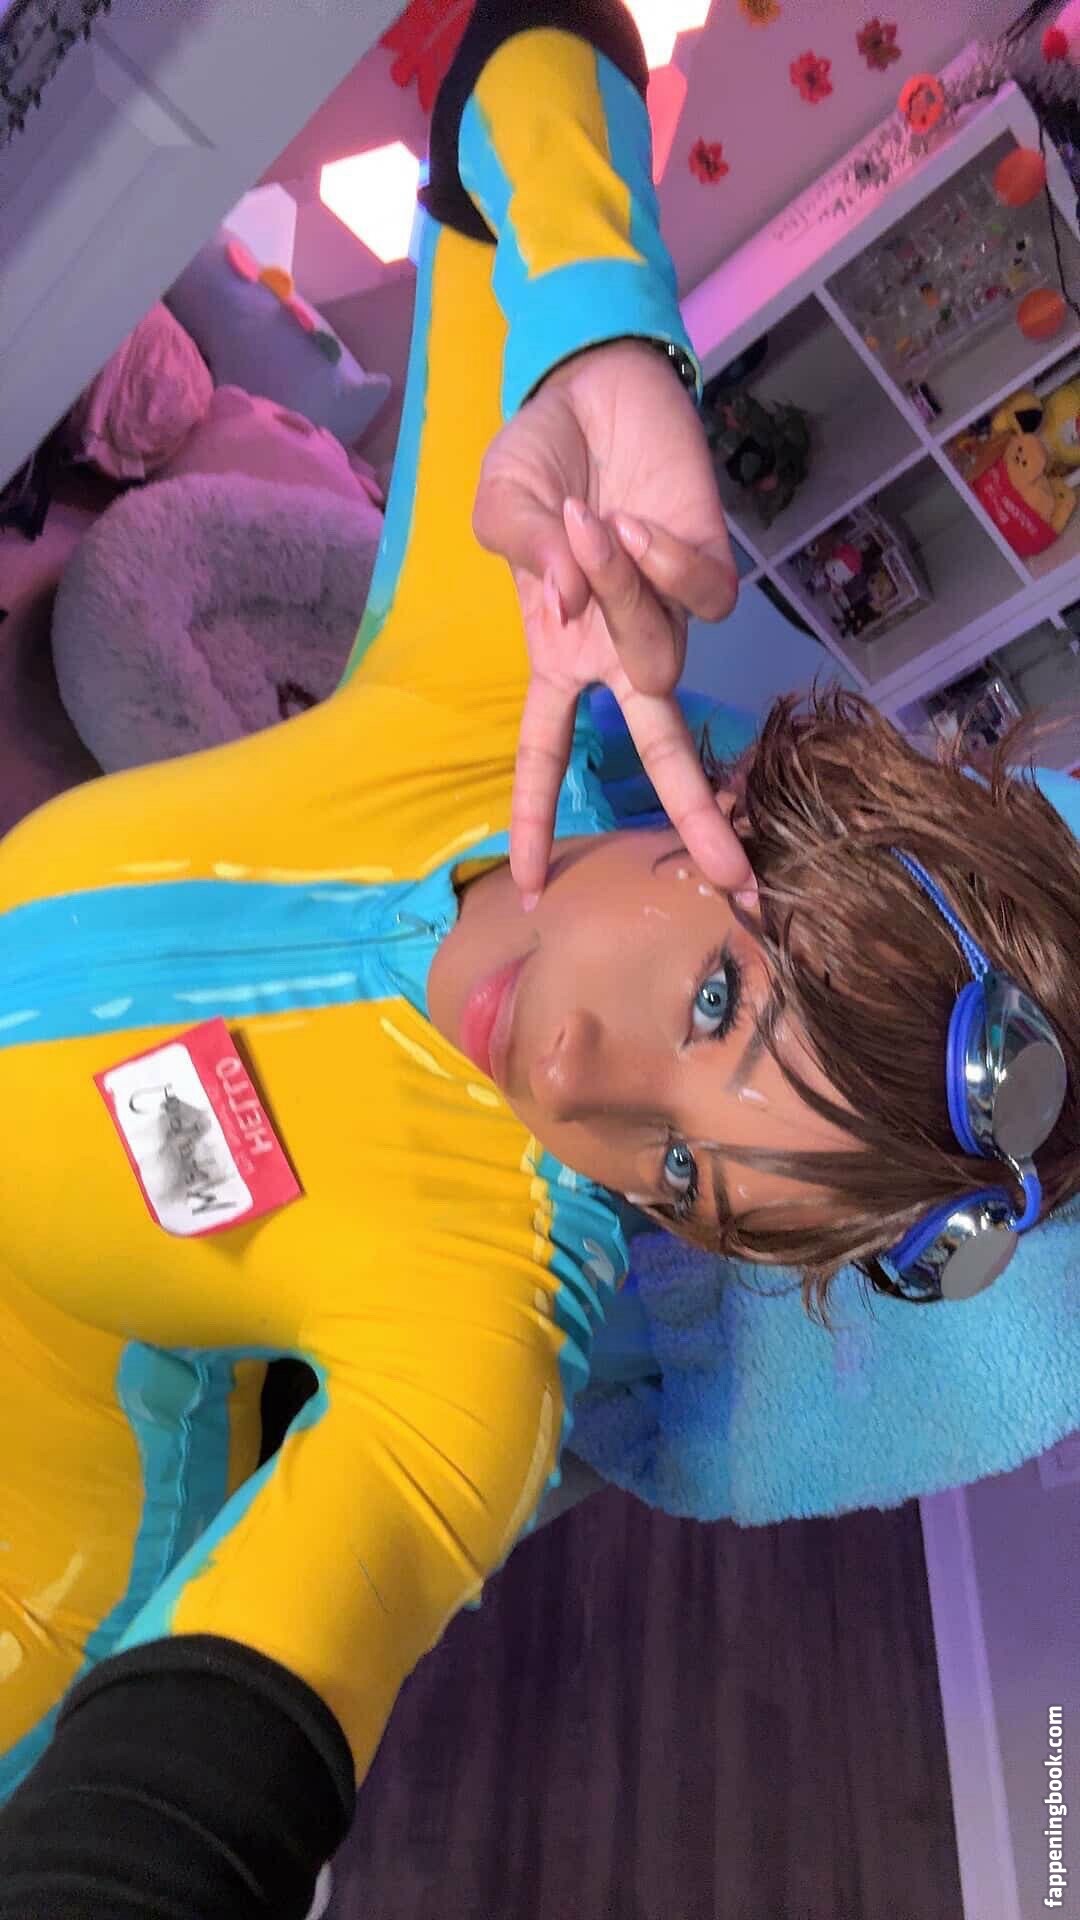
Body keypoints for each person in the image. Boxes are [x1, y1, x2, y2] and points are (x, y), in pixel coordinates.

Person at [2, 6, 1080, 1919]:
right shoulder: (505, 660)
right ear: (744, 821)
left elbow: (202, 1788)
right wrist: (598, 331)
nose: (568, 1088)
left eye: (671, 1175)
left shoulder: (484, 1347)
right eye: (715, 1005)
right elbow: (534, 39)